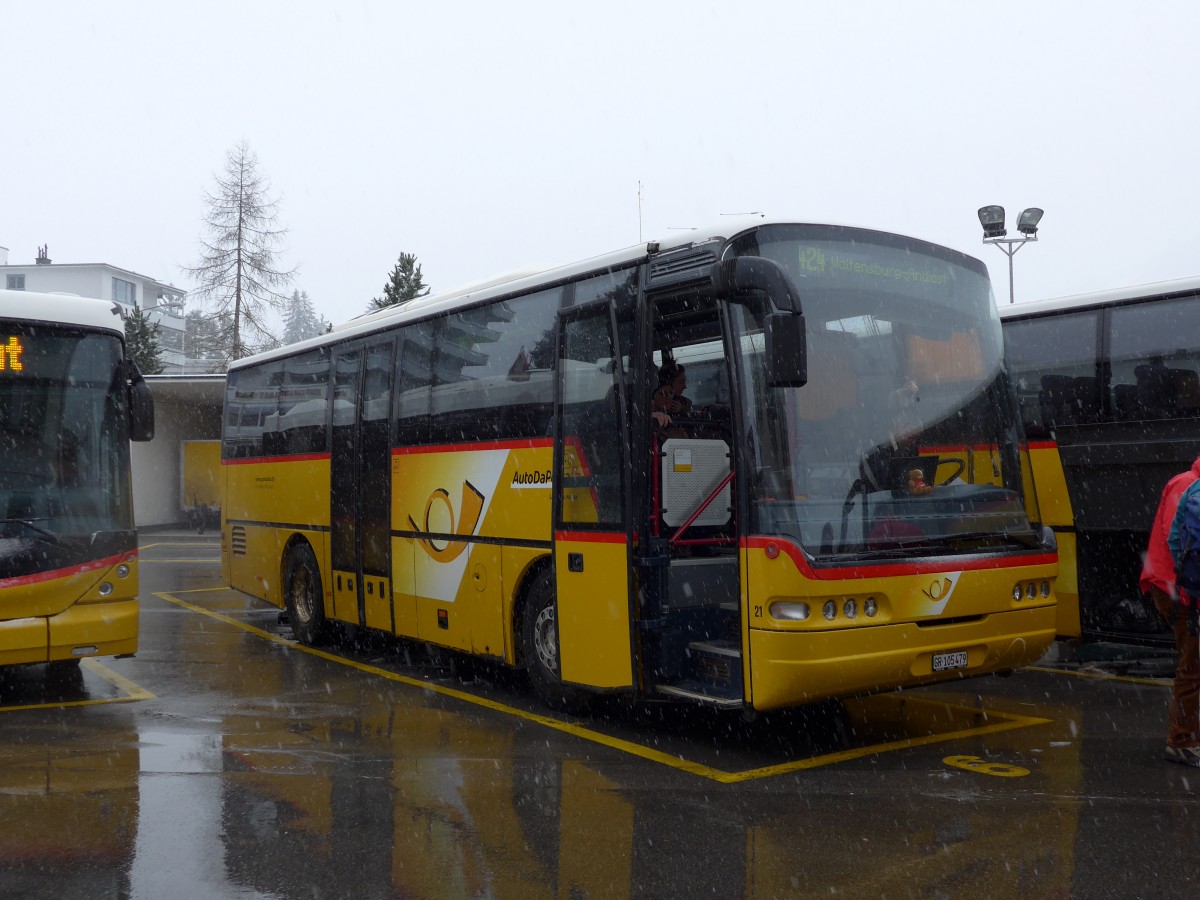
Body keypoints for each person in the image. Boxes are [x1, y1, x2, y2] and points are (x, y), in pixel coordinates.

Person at [1140, 456, 1200, 767]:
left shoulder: (1185, 484)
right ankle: (1182, 740)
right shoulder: (1186, 485)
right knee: (1193, 663)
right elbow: (1180, 548)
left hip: (1181, 588)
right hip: (1179, 590)